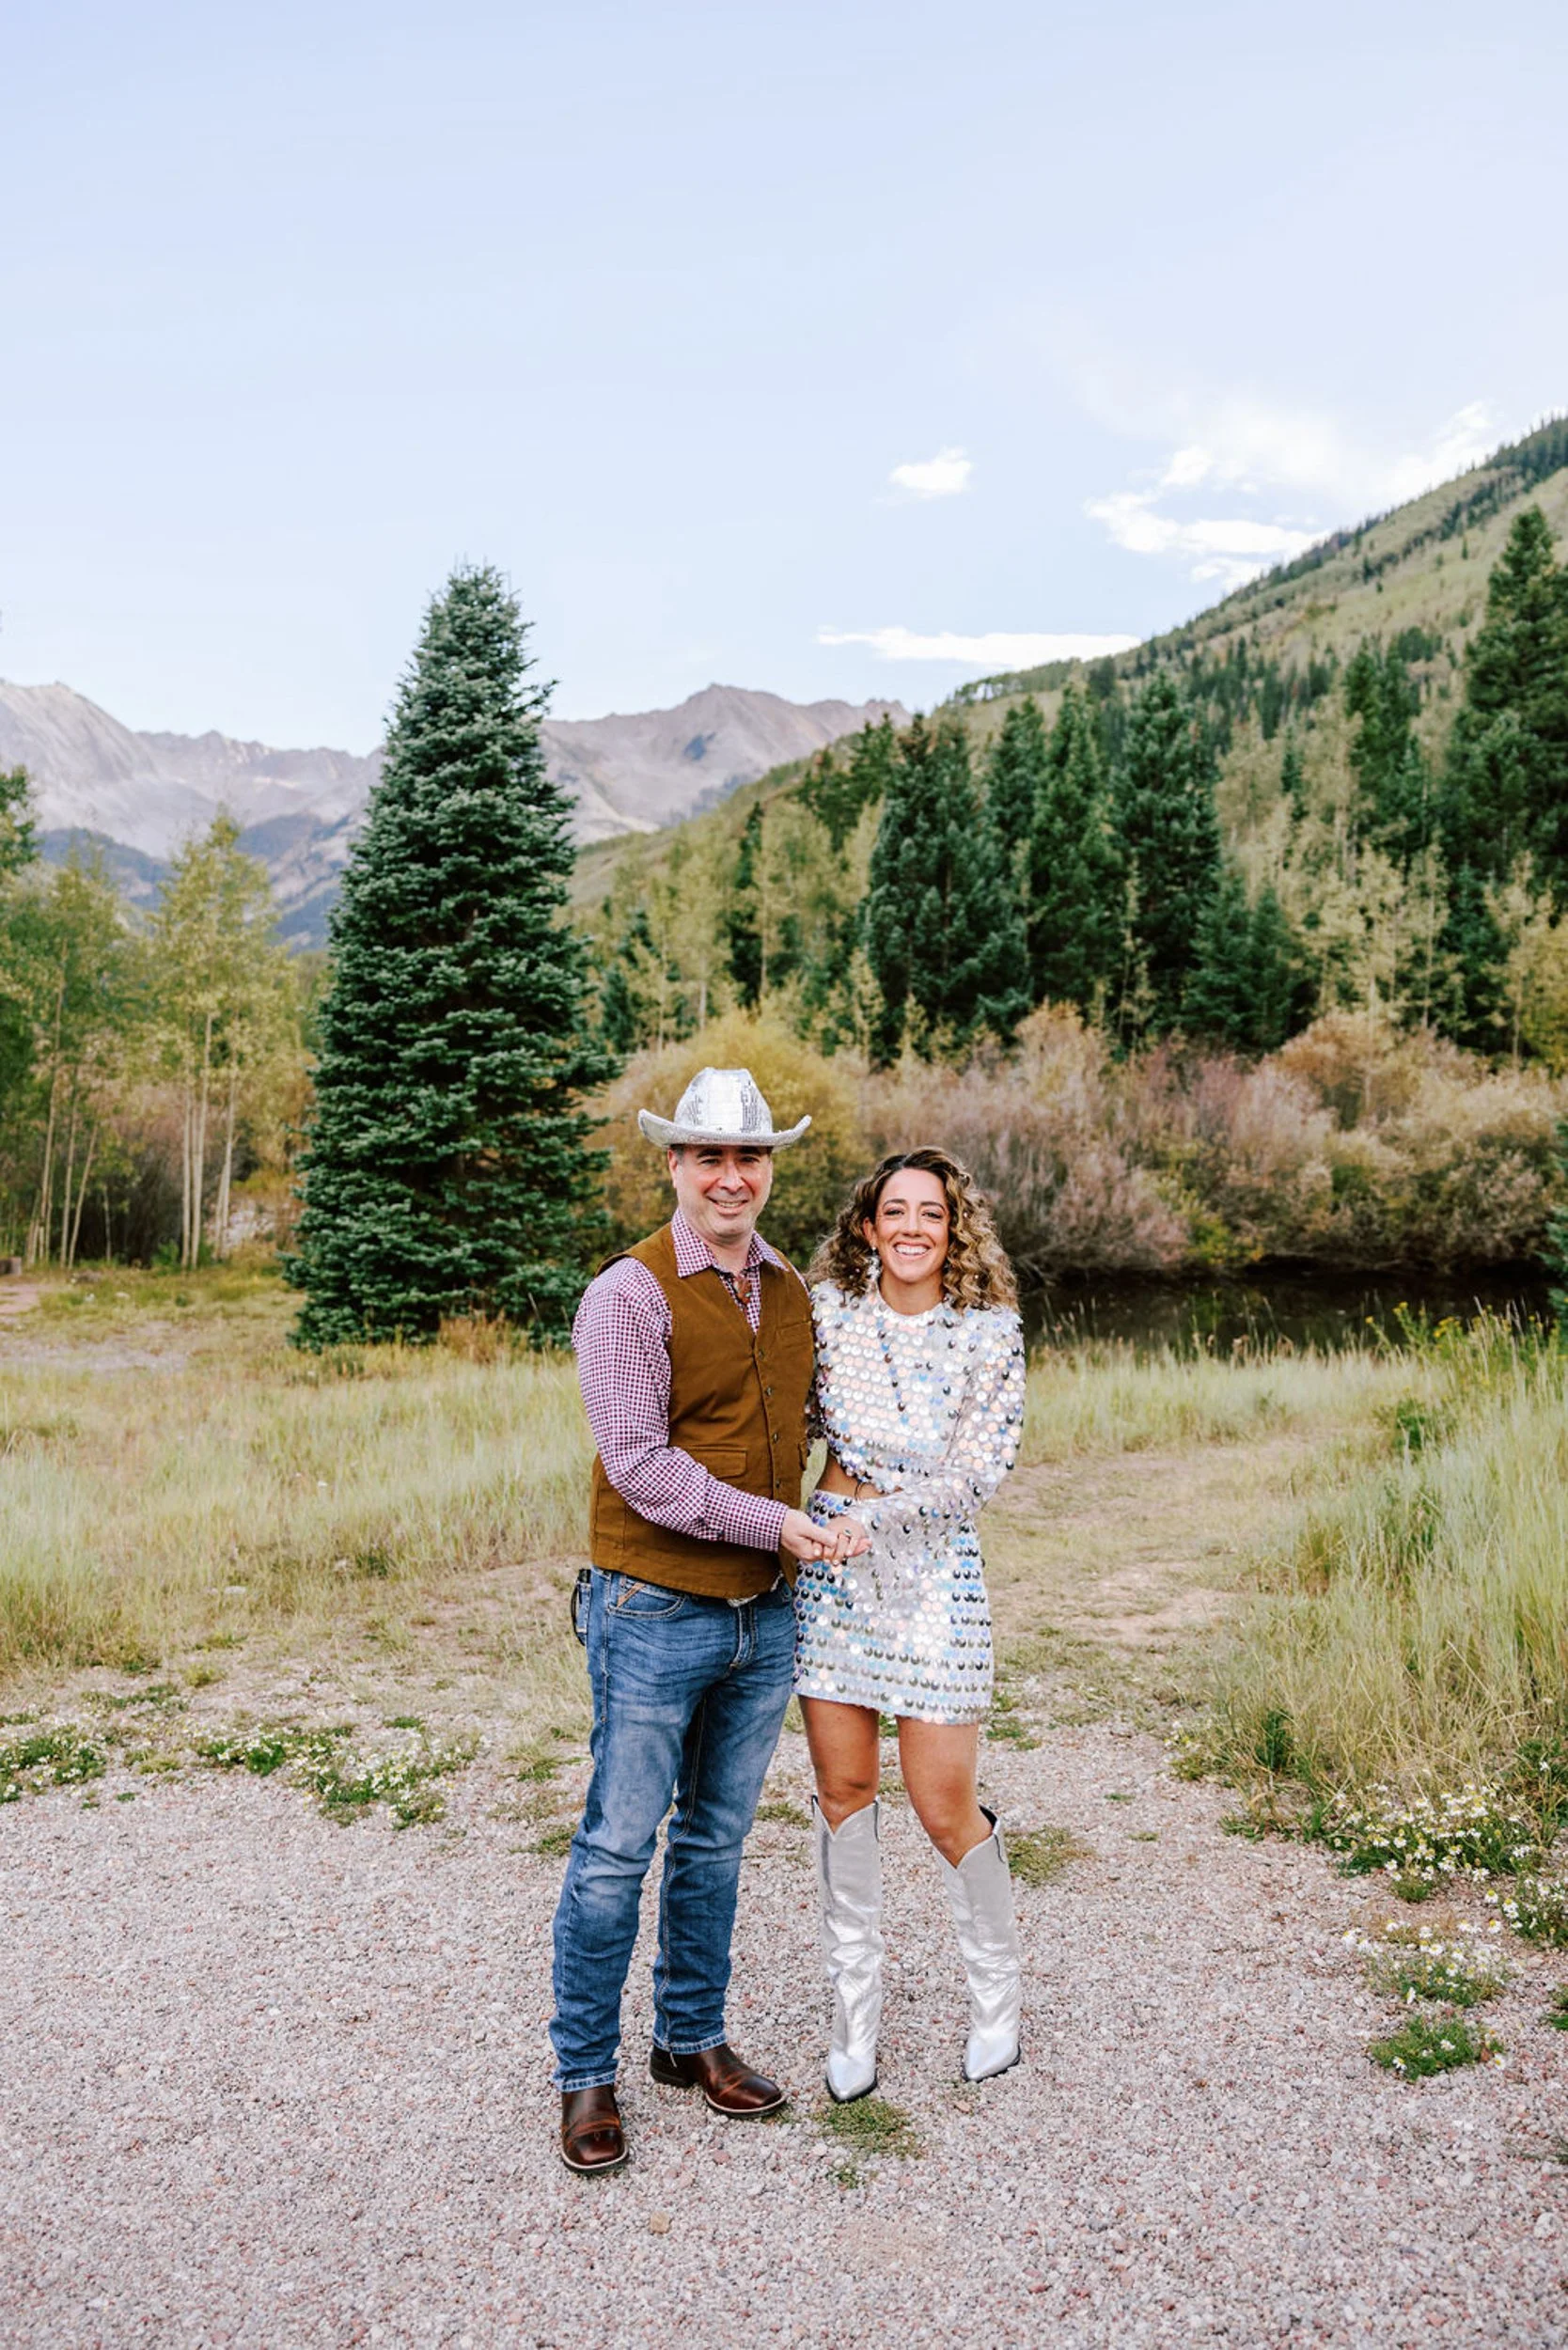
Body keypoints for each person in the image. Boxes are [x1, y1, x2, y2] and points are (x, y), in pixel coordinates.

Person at [549, 1066, 867, 2177]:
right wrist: (780, 1524)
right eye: (709, 1157)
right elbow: (641, 1467)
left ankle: (690, 2038)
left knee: (717, 1839)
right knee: (614, 1848)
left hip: (762, 1619)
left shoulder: (790, 1289)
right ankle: (586, 2071)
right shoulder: (626, 1295)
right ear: (674, 1166)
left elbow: (824, 1421)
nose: (733, 1177)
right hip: (652, 1608)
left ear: (769, 1167)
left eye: (751, 1157)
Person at [793, 1147, 1027, 2100]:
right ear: (866, 1224)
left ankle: (997, 2001)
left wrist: (870, 1517)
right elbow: (784, 1419)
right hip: (832, 1590)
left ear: (954, 1226)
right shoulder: (826, 1312)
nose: (913, 1228)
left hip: (935, 1585)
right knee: (844, 1792)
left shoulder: (989, 1332)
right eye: (896, 1211)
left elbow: (978, 1473)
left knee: (941, 1805)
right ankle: (855, 2020)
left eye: (932, 1213)